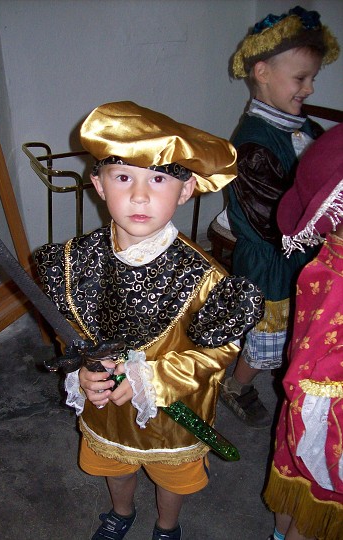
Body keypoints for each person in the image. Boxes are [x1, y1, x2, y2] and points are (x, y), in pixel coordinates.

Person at [35, 101, 264, 540]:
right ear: (98, 184)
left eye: (158, 179)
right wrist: (81, 369)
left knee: (171, 480)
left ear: (186, 189)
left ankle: (166, 525)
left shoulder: (206, 278)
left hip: (172, 414)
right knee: (115, 467)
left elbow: (216, 354)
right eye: (123, 177)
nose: (139, 196)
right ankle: (121, 513)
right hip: (106, 406)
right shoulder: (73, 261)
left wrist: (150, 379)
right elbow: (72, 332)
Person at [220, 5, 340, 428]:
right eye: (301, 78)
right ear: (263, 73)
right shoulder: (253, 145)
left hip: (301, 252)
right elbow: (274, 222)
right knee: (267, 335)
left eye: (313, 78)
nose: (309, 88)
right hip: (272, 260)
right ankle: (236, 384)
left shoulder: (303, 128)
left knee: (301, 325)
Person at [263, 123, 343, 540]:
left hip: (313, 401)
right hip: (327, 414)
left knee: (298, 485)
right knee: (315, 499)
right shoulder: (337, 278)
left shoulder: (329, 261)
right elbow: (321, 375)